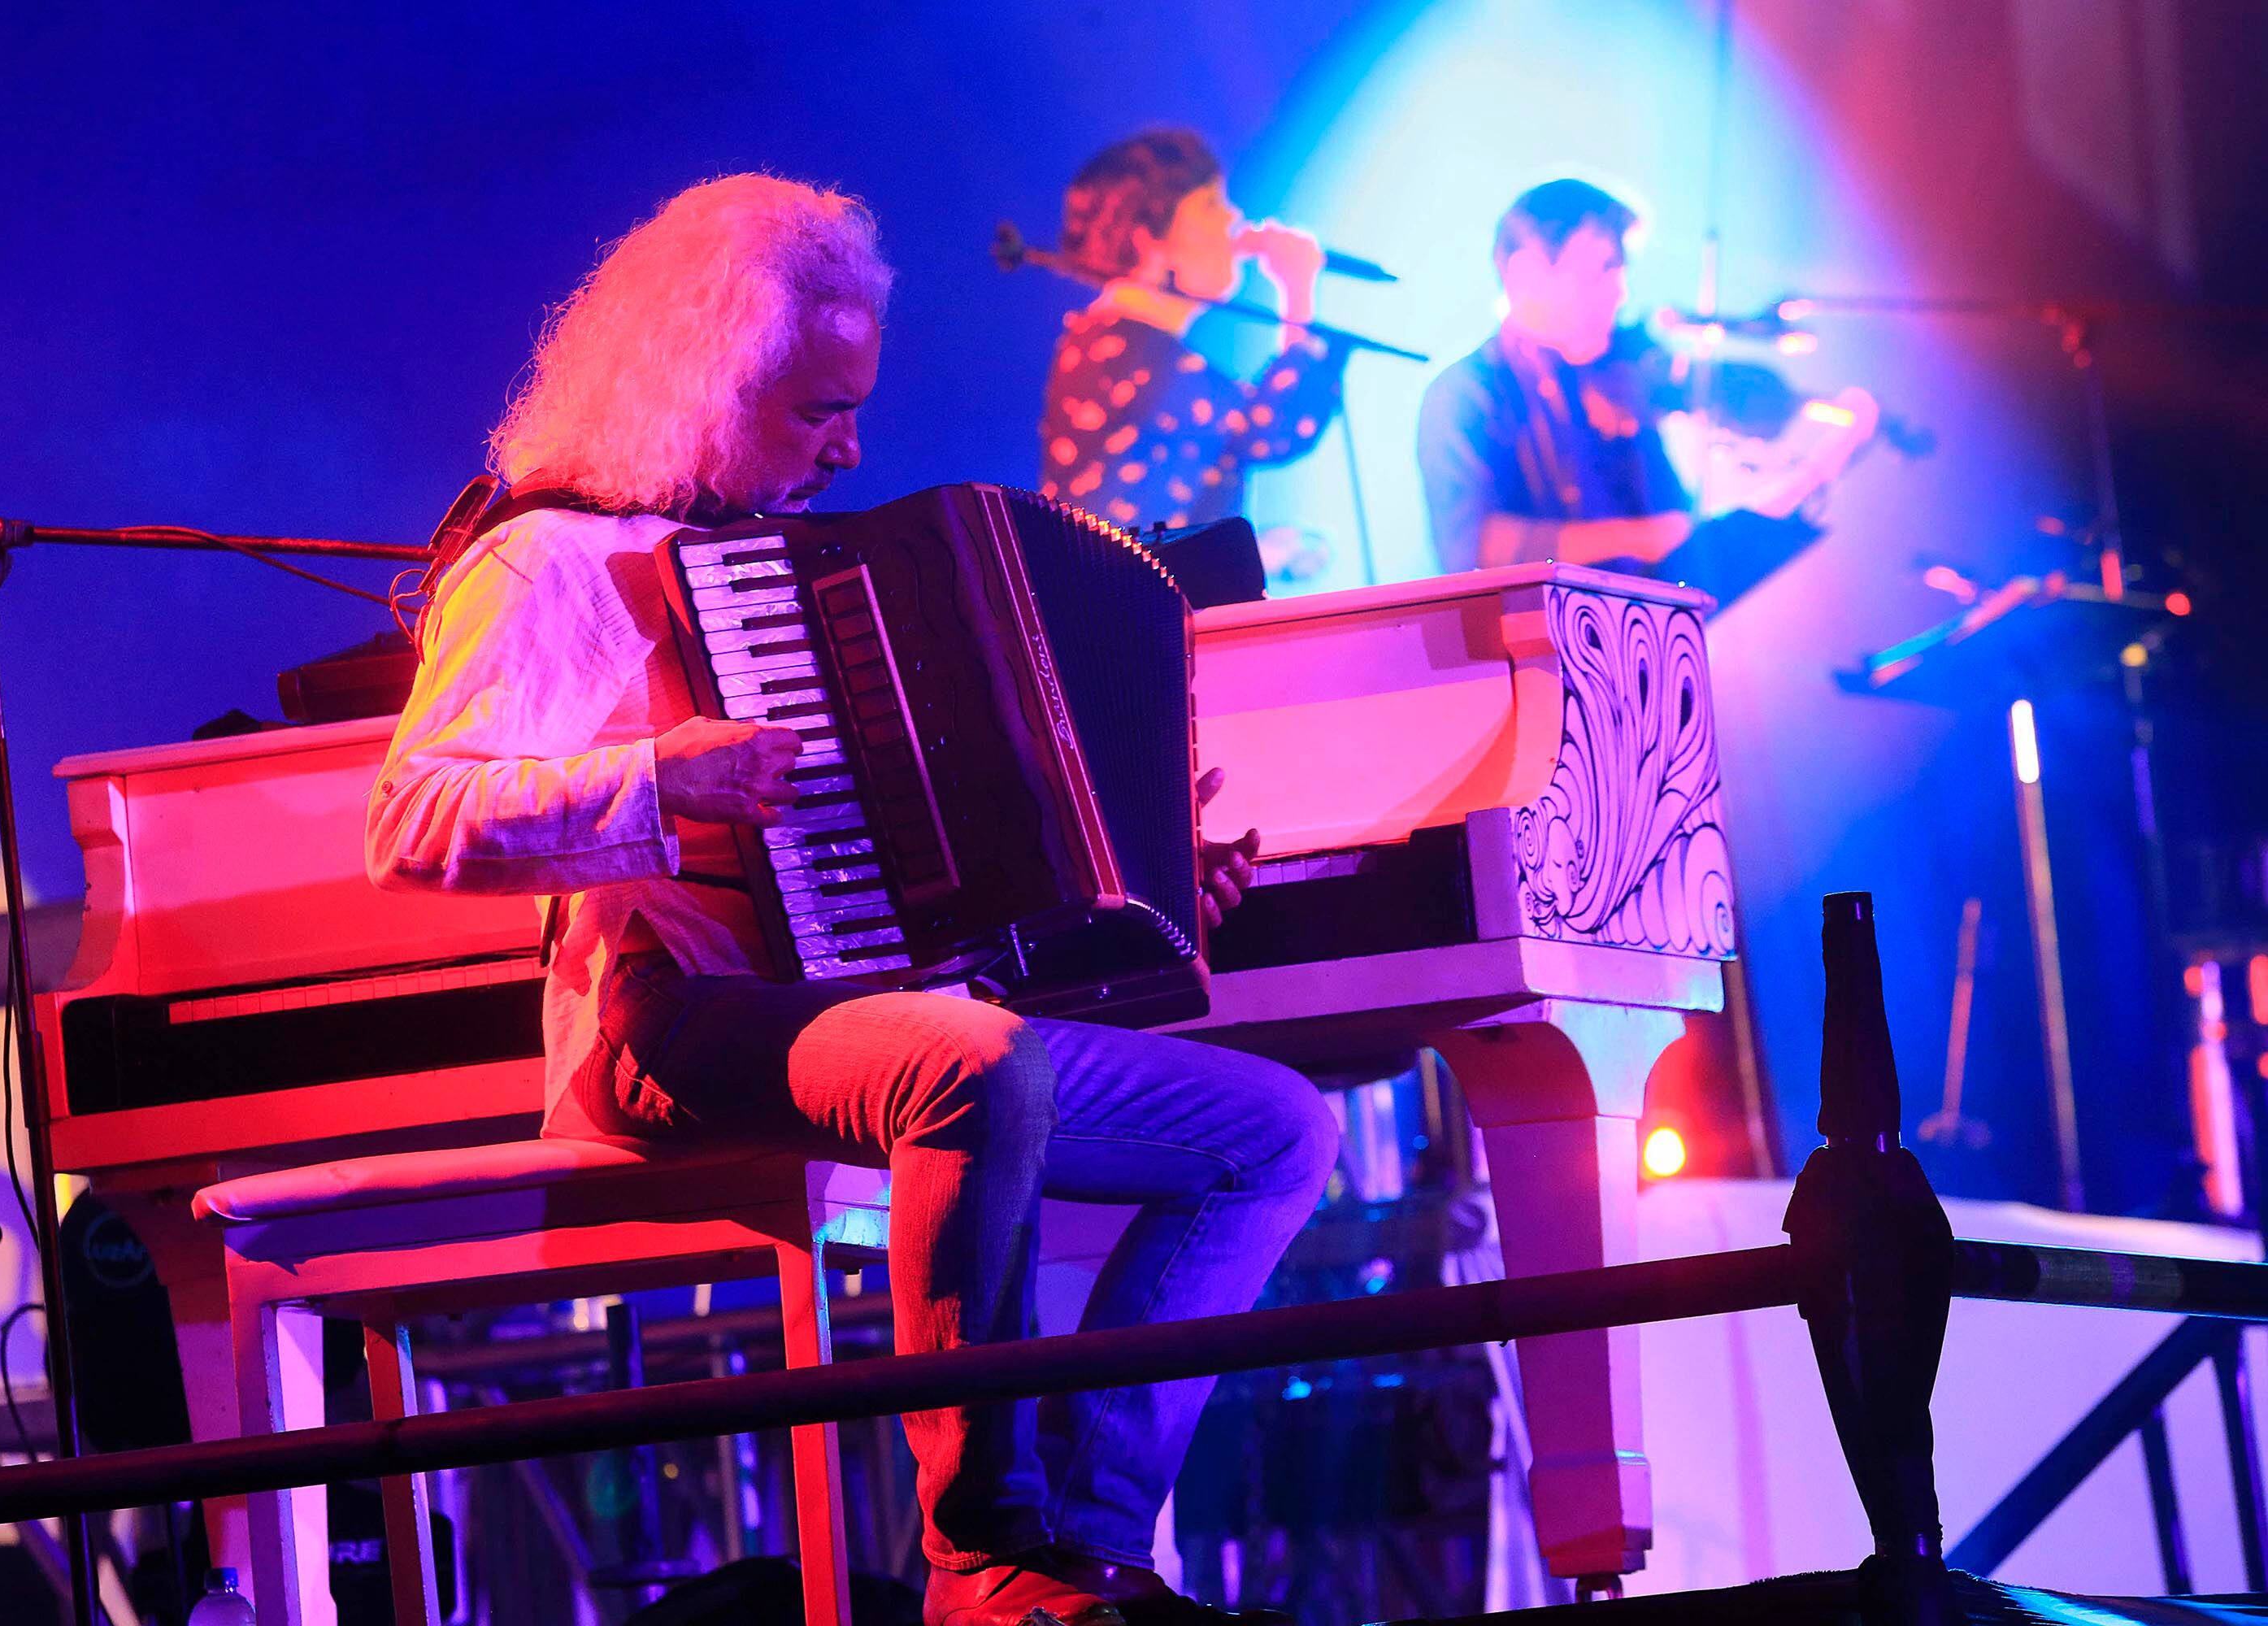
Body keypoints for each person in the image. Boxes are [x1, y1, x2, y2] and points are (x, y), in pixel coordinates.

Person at [367, 175, 1334, 1626]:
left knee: (1275, 1131)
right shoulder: (549, 560)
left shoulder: (817, 573)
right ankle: (983, 1556)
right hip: (670, 1021)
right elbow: (408, 821)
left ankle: (1084, 1544)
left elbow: (928, 881)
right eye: (819, 412)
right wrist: (658, 779)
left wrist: (1141, 878)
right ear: (708, 388)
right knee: (972, 1064)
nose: (852, 448)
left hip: (870, 1022)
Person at [1415, 177, 1877, 580]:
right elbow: (1470, 551)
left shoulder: (1621, 382)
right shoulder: (1466, 396)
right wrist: (1635, 537)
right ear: (1528, 274)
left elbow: (1679, 535)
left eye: (1623, 270)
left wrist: (1815, 469)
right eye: (1605, 269)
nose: (1622, 292)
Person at [1040, 129, 1349, 533]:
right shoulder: (1122, 351)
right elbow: (1273, 427)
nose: (1233, 219)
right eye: (1210, 204)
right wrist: (1298, 286)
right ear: (1148, 237)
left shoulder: (1113, 343)